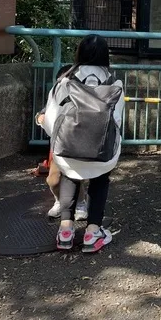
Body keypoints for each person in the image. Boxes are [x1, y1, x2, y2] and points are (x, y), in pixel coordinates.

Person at [41, 35, 125, 252]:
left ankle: (65, 231)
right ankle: (92, 232)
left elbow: (51, 118)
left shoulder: (66, 81)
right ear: (106, 56)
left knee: (70, 175)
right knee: (100, 180)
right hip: (102, 155)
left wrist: (61, 141)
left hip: (67, 151)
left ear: (79, 54)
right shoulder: (114, 83)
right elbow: (117, 122)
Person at [35, 66, 88, 221]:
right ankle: (60, 200)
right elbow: (43, 113)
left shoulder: (84, 98)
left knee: (76, 176)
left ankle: (80, 203)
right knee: (53, 179)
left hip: (77, 143)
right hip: (58, 143)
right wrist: (41, 118)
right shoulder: (56, 96)